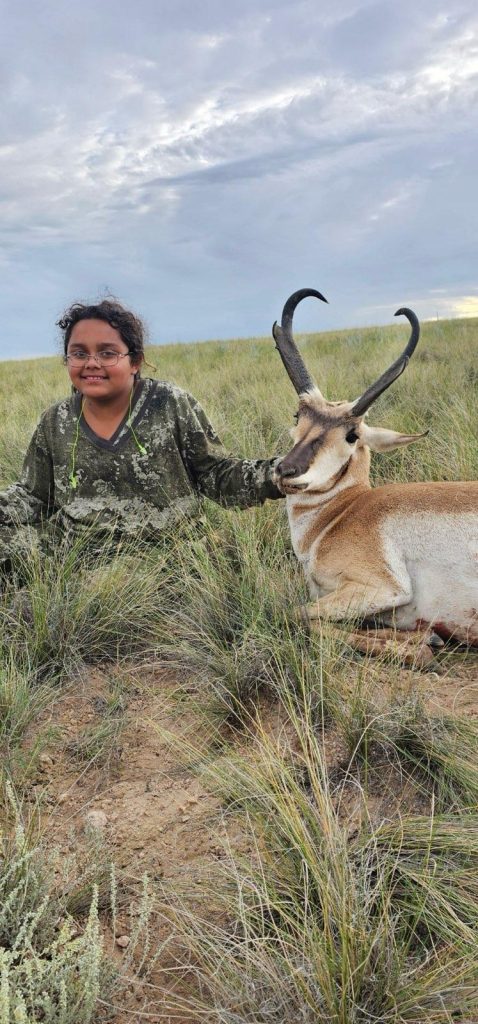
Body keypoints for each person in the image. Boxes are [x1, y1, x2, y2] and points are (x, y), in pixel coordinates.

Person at [0, 299, 283, 568]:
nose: (92, 363)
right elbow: (34, 495)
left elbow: (215, 475)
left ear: (135, 361)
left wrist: (277, 475)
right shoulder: (56, 419)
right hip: (74, 549)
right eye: (79, 353)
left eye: (107, 353)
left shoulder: (169, 402)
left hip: (169, 554)